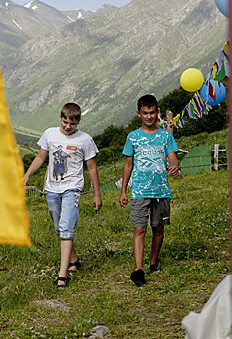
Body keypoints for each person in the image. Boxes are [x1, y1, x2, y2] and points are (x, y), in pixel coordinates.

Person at [23, 102, 102, 288]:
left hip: (72, 188)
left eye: (72, 124)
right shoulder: (49, 134)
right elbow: (41, 157)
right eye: (65, 122)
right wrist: (27, 174)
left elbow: (91, 167)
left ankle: (62, 274)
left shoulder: (85, 140)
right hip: (51, 188)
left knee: (66, 226)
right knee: (60, 227)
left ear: (78, 122)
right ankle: (74, 260)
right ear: (60, 118)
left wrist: (97, 194)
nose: (68, 127)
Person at [119, 94, 179, 287]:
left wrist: (174, 166)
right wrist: (123, 191)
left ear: (158, 112)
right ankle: (139, 269)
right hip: (139, 190)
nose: (149, 117)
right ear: (139, 114)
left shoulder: (165, 135)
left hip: (161, 190)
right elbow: (128, 164)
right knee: (139, 228)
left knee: (158, 228)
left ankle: (153, 262)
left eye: (152, 112)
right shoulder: (133, 137)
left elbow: (172, 156)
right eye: (145, 113)